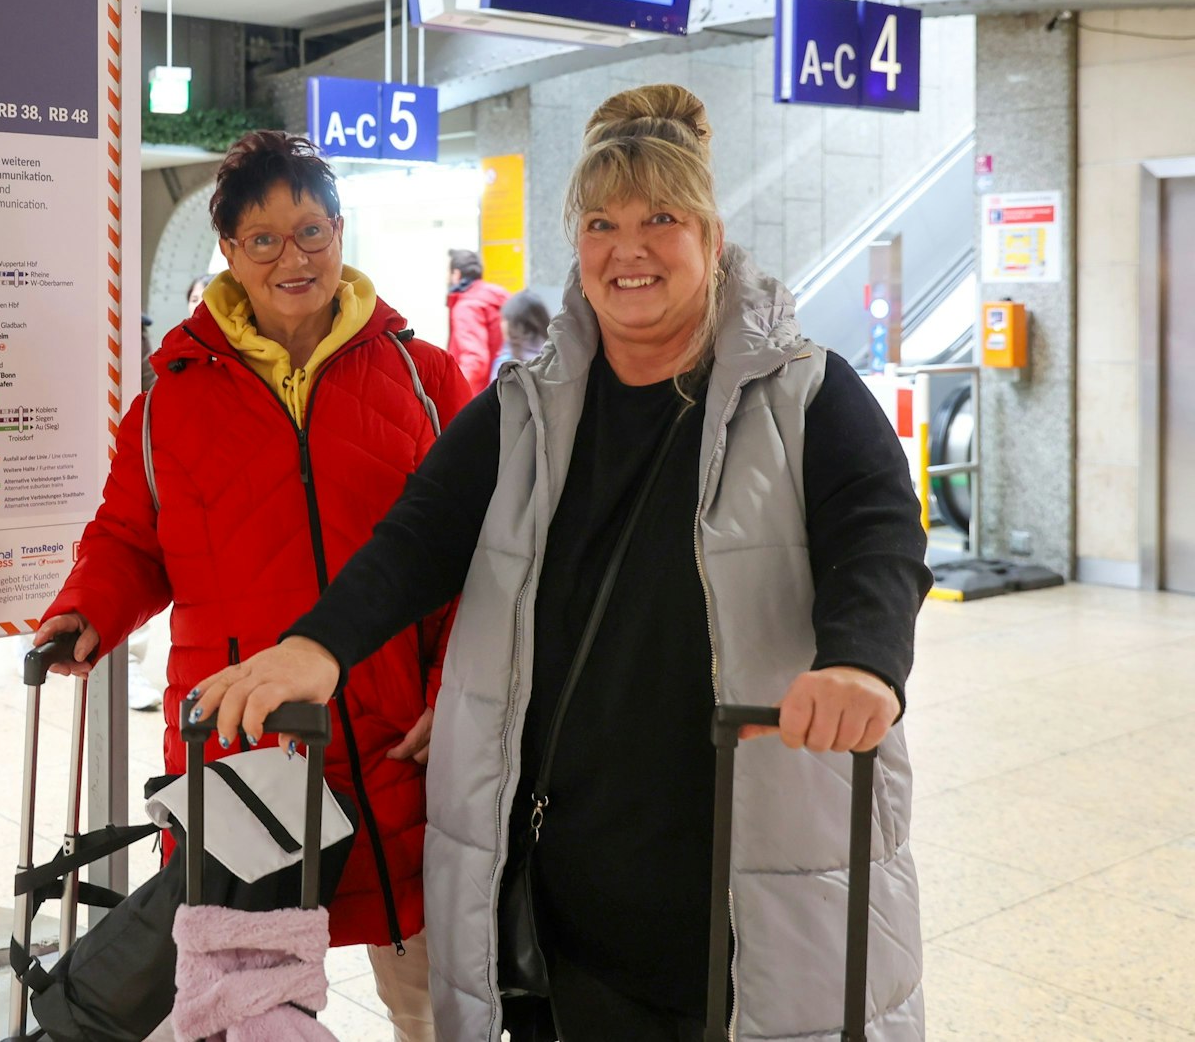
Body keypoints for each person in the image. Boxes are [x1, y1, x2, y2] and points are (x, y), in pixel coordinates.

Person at [192, 86, 928, 1042]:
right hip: (557, 892)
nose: (630, 248)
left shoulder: (806, 393)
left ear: (707, 231)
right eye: (601, 222)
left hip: (737, 876)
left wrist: (862, 659)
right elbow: (419, 537)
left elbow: (877, 529)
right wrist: (320, 647)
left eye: (660, 218)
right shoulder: (522, 410)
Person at [35, 130, 472, 1042]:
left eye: (311, 231)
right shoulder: (171, 401)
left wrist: (454, 695)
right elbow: (129, 539)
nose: (292, 258)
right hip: (244, 747)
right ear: (228, 251)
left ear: (341, 232)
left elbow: (480, 557)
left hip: (401, 745)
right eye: (263, 239)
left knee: (429, 1000)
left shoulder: (423, 381)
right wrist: (85, 612)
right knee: (243, 1004)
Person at [445, 249, 510, 391]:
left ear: (456, 274)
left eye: (447, 273)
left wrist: (450, 391)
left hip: (479, 397)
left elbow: (475, 360)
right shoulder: (500, 295)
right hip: (504, 390)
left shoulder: (467, 306)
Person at [488, 288, 550, 384]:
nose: (501, 324)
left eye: (504, 319)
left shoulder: (505, 364)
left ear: (513, 324)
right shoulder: (555, 354)